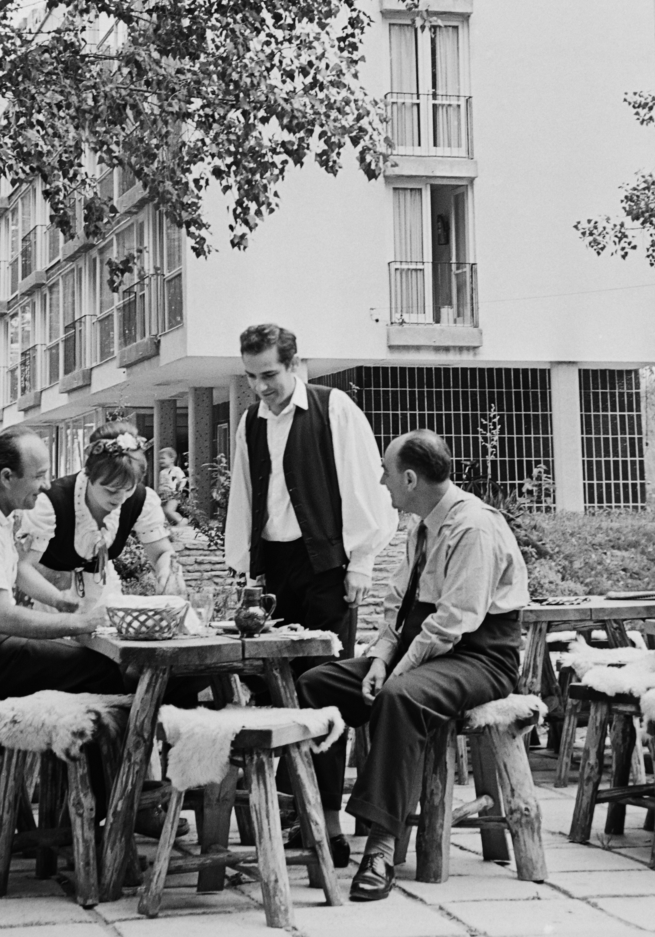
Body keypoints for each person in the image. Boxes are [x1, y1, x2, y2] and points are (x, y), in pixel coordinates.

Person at [298, 429, 531, 901]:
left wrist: (396, 672)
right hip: (421, 648)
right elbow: (395, 611)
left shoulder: (473, 527)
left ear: (409, 478)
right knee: (316, 683)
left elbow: (452, 623)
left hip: (480, 656)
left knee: (400, 698)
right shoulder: (419, 525)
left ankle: (382, 847)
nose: (381, 482)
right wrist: (381, 661)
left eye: (385, 472)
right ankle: (321, 820)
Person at [225, 323, 397, 660]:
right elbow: (245, 497)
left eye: (269, 374)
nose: (260, 386)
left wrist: (362, 562)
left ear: (293, 364)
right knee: (277, 669)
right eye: (250, 376)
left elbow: (363, 483)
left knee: (326, 667)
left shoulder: (334, 407)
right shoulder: (249, 422)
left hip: (327, 564)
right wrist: (249, 566)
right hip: (274, 566)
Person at [0, 424, 125, 700]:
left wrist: (59, 602)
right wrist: (80, 623)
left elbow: (16, 574)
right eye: (39, 476)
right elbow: (2, 617)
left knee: (84, 660)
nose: (46, 485)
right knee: (103, 668)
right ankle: (80, 739)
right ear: (7, 477)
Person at [20, 423, 183, 602]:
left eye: (128, 489)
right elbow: (23, 569)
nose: (120, 498)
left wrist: (167, 569)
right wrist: (60, 602)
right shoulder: (50, 502)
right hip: (44, 596)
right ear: (89, 474)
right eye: (111, 490)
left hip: (101, 593)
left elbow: (161, 553)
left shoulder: (141, 500)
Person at [156, 446, 190, 529]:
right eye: (160, 459)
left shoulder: (176, 469)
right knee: (163, 511)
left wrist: (179, 489)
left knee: (169, 510)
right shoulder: (162, 472)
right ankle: (167, 526)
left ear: (171, 459)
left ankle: (182, 520)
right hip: (162, 494)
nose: (161, 461)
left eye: (163, 458)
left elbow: (183, 479)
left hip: (172, 494)